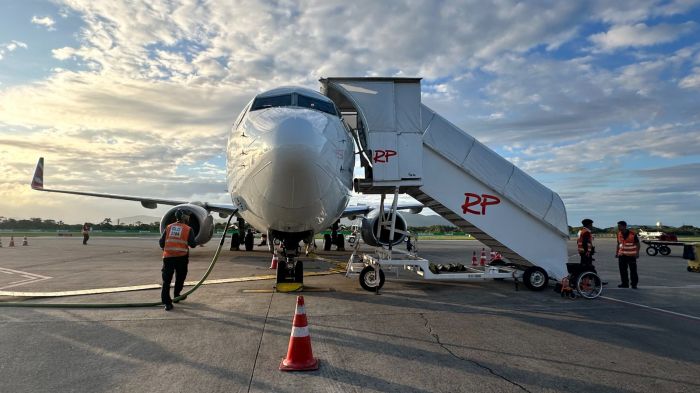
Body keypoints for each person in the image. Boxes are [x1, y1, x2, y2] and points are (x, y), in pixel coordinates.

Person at [159, 210, 197, 311]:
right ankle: (176, 295)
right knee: (180, 277)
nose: (188, 218)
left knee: (166, 281)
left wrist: (166, 249)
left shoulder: (169, 227)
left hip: (168, 257)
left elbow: (161, 242)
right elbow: (192, 244)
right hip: (181, 257)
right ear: (184, 217)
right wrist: (195, 241)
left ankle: (167, 303)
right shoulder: (188, 229)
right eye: (187, 217)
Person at [616, 220, 640, 289]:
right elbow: (618, 244)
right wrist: (617, 252)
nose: (618, 227)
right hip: (622, 255)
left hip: (631, 255)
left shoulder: (633, 234)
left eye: (619, 226)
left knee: (633, 271)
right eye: (618, 226)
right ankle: (624, 283)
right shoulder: (619, 234)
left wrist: (637, 253)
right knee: (623, 270)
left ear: (624, 226)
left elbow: (637, 244)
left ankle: (634, 284)